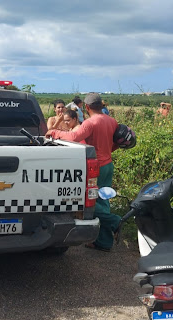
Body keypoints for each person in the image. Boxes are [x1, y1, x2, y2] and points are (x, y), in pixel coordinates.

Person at [45, 93, 120, 252]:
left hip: (96, 166)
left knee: (90, 202)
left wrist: (55, 133)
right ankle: (104, 242)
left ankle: (114, 221)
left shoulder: (91, 122)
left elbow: (73, 137)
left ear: (86, 107)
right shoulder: (111, 121)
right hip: (108, 164)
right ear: (101, 105)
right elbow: (117, 142)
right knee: (103, 200)